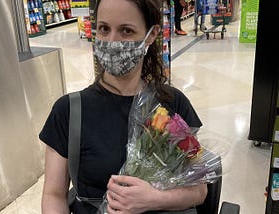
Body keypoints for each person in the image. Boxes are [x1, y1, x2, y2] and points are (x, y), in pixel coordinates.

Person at [39, 0, 207, 213]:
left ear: (152, 35)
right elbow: (53, 195)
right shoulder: (69, 111)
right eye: (104, 29)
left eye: (126, 31)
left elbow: (199, 191)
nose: (112, 41)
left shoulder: (172, 105)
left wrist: (153, 199)